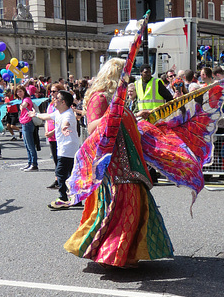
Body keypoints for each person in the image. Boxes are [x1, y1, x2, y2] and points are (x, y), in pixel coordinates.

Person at [64, 58, 173, 267]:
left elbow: (120, 120)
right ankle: (111, 253)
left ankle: (126, 253)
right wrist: (114, 114)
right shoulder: (100, 97)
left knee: (132, 203)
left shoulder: (116, 98)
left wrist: (136, 115)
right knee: (121, 204)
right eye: (125, 72)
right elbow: (94, 125)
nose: (129, 77)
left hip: (126, 161)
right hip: (112, 163)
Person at [30, 90, 81, 209]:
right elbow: (47, 116)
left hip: (67, 148)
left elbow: (66, 123)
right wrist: (35, 115)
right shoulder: (58, 112)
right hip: (64, 148)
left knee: (60, 173)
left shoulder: (67, 114)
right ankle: (75, 198)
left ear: (63, 102)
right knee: (70, 174)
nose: (54, 100)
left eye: (57, 98)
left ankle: (63, 198)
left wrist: (64, 128)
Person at [45, 83, 64, 189]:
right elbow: (48, 117)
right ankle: (57, 180)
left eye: (54, 91)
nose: (51, 93)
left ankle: (62, 181)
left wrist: (53, 131)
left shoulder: (62, 104)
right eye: (51, 91)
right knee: (55, 159)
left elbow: (62, 120)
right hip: (51, 135)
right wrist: (47, 129)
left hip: (59, 134)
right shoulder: (51, 104)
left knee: (61, 160)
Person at [16, 86, 38, 171]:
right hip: (24, 123)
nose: (19, 93)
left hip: (28, 123)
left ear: (24, 91)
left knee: (30, 145)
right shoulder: (23, 100)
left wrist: (22, 105)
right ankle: (30, 163)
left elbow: (24, 105)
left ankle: (34, 164)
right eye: (18, 92)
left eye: (20, 91)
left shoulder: (26, 99)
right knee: (26, 144)